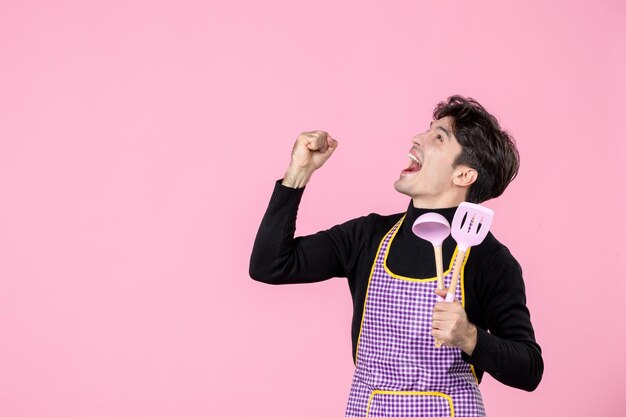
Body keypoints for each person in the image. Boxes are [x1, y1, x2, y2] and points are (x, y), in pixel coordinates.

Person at [249, 95, 543, 417]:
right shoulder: (366, 237)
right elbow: (270, 265)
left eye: (438, 137)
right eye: (427, 130)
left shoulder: (489, 258)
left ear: (463, 175)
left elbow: (528, 369)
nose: (417, 138)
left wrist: (470, 337)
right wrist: (298, 173)